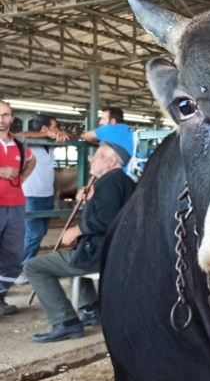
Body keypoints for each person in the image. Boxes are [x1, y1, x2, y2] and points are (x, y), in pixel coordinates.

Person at [24, 142, 135, 342]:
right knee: (72, 260)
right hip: (115, 250)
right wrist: (89, 200)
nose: (91, 159)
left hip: (99, 252)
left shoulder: (109, 183)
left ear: (110, 162)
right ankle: (92, 309)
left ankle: (65, 322)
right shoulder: (122, 181)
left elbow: (107, 219)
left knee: (34, 267)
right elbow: (108, 212)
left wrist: (77, 230)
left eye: (97, 156)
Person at [16, 115, 71, 281]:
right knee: (34, 234)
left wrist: (62, 134)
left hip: (47, 194)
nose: (56, 130)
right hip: (30, 195)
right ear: (45, 129)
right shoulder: (28, 144)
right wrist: (47, 136)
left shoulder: (51, 145)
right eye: (54, 127)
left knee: (40, 233)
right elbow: (19, 135)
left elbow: (74, 137)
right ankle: (21, 270)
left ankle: (25, 266)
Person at [0, 101, 36, 315]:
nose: (2, 120)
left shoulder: (19, 145)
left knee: (12, 255)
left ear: (12, 118)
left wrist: (22, 177)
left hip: (15, 205)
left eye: (6, 115)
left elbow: (32, 161)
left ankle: (1, 296)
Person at [81, 107, 134, 173]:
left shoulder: (111, 129)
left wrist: (99, 143)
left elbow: (86, 136)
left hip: (128, 175)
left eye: (103, 119)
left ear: (113, 121)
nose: (100, 122)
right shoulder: (125, 130)